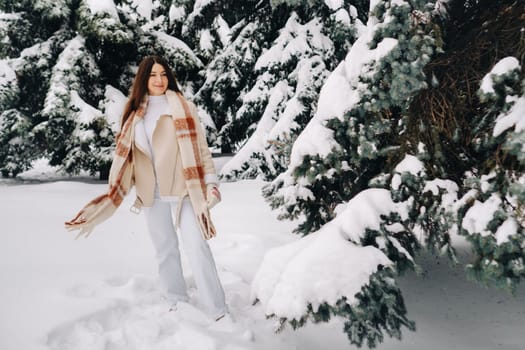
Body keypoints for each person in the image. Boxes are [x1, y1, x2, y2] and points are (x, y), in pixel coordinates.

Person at [65, 55, 228, 321]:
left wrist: (211, 183)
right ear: (144, 78)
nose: (160, 80)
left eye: (164, 74)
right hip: (150, 190)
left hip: (184, 188)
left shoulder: (184, 107)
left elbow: (201, 150)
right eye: (153, 75)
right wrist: (112, 194)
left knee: (197, 245)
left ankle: (218, 308)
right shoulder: (132, 114)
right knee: (165, 248)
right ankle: (175, 298)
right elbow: (127, 157)